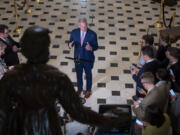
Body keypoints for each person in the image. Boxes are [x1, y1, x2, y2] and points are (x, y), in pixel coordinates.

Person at [0, 26, 131, 135]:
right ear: (45, 51)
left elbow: (3, 114)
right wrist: (106, 120)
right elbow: (78, 112)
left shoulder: (9, 77)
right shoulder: (56, 78)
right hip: (48, 129)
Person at [68, 18, 98, 98]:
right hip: (78, 58)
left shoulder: (92, 34)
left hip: (88, 59)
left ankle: (88, 90)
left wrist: (91, 48)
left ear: (87, 25)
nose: (84, 28)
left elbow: (96, 46)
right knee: (79, 75)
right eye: (82, 26)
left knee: (88, 75)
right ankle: (80, 88)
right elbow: (70, 42)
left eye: (85, 26)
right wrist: (70, 45)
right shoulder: (74, 32)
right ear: (79, 26)